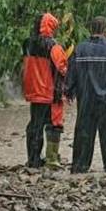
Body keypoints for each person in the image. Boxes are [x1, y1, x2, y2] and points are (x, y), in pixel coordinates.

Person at [66, 16, 106, 173]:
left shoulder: (80, 48)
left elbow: (71, 71)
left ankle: (80, 165)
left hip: (86, 97)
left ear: (90, 29)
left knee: (84, 132)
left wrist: (69, 90)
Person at [22, 12, 69, 169]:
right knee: (54, 124)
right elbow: (63, 69)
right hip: (49, 91)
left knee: (34, 125)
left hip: (33, 91)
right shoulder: (53, 46)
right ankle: (51, 159)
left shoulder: (28, 44)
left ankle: (33, 159)